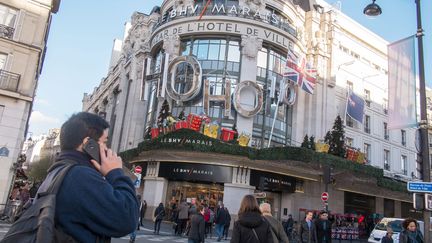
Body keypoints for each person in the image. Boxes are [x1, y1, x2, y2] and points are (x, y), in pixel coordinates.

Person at [50, 112, 139, 242]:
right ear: (88, 144)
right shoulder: (80, 176)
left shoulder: (58, 170)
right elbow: (127, 218)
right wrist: (116, 172)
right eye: (104, 142)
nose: (107, 148)